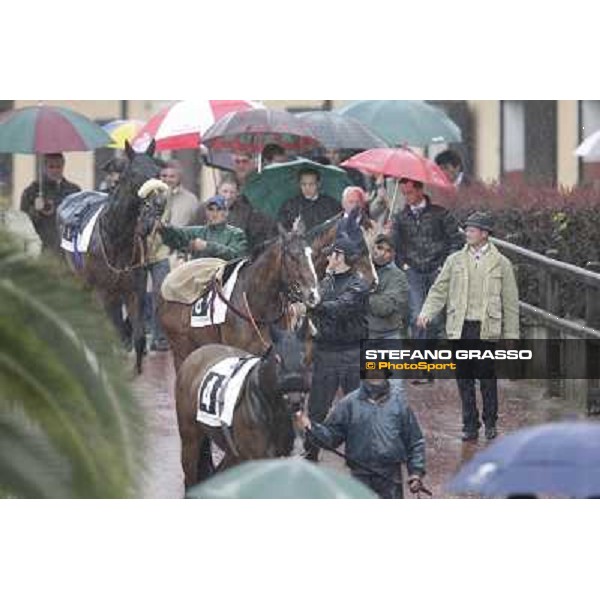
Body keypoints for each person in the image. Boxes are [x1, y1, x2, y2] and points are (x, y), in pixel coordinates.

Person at [417, 212, 520, 441]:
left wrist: (511, 334)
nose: (467, 233)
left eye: (472, 230)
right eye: (467, 229)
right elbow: (439, 290)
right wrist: (427, 312)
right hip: (460, 327)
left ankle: (491, 422)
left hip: (486, 328)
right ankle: (469, 424)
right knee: (463, 377)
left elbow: (511, 303)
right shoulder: (454, 260)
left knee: (486, 376)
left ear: (485, 234)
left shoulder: (502, 264)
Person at [295, 368, 426, 499]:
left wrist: (416, 472)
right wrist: (311, 428)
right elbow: (331, 435)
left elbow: (415, 441)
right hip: (359, 476)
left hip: (390, 478)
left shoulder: (399, 404)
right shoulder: (349, 404)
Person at [304, 235, 369, 462]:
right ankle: (310, 453)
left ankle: (358, 456)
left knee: (357, 409)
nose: (329, 257)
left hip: (352, 355)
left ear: (341, 257)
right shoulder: (325, 282)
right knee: (317, 409)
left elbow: (343, 306)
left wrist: (316, 304)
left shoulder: (358, 284)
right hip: (325, 353)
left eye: (332, 253)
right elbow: (312, 306)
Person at [393, 177, 463, 383]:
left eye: (409, 193)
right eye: (404, 193)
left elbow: (456, 240)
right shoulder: (399, 218)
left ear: (420, 190)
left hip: (437, 270)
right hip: (413, 271)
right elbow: (394, 246)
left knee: (434, 320)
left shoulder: (440, 214)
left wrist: (445, 265)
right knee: (418, 315)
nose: (406, 197)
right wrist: (402, 263)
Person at [20, 153, 81, 253]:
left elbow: (80, 220)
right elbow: (24, 224)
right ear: (44, 167)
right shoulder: (32, 191)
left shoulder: (74, 191)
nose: (55, 170)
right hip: (42, 250)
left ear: (63, 166)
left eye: (58, 166)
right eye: (51, 167)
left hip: (67, 251)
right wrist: (35, 210)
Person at [159, 195, 248, 261]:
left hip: (224, 278)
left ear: (226, 212)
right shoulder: (197, 231)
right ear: (206, 212)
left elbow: (237, 256)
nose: (214, 214)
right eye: (211, 209)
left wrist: (207, 246)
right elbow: (177, 234)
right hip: (198, 277)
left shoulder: (236, 234)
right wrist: (163, 227)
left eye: (219, 209)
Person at [220, 175, 278, 253]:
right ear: (218, 190)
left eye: (232, 192)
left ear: (237, 193)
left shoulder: (245, 212)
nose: (228, 196)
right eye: (225, 191)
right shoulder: (204, 210)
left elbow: (257, 236)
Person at [368, 234, 409, 339]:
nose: (382, 253)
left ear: (393, 254)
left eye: (388, 251)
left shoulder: (398, 276)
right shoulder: (361, 270)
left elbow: (385, 308)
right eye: (379, 247)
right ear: (373, 247)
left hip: (388, 334)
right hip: (362, 333)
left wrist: (363, 294)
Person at [278, 167, 340, 232]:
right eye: (303, 184)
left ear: (318, 184)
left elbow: (338, 223)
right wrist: (293, 231)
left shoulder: (331, 204)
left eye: (311, 184)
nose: (307, 188)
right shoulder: (290, 205)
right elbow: (282, 226)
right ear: (299, 185)